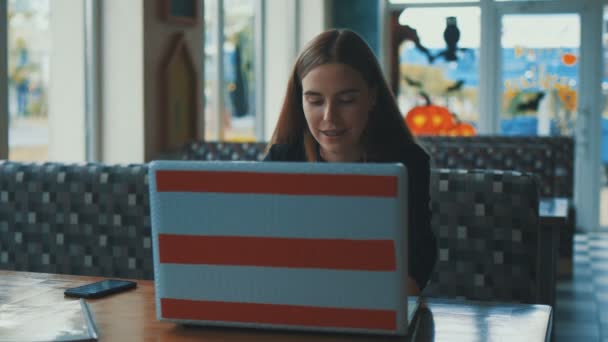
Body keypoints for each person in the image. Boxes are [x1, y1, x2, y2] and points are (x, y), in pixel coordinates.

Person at [264, 29, 437, 294]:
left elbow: (418, 260)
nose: (329, 117)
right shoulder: (282, 160)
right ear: (300, 101)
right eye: (315, 101)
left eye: (346, 100)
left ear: (373, 97)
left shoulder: (407, 163)